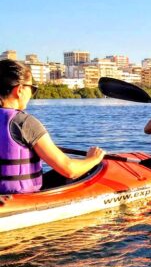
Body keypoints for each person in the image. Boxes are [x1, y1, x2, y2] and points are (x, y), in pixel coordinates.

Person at [0, 59, 105, 194]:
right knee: (89, 169)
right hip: (21, 198)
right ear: (19, 90)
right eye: (32, 88)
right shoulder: (24, 123)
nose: (32, 94)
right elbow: (69, 170)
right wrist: (93, 159)